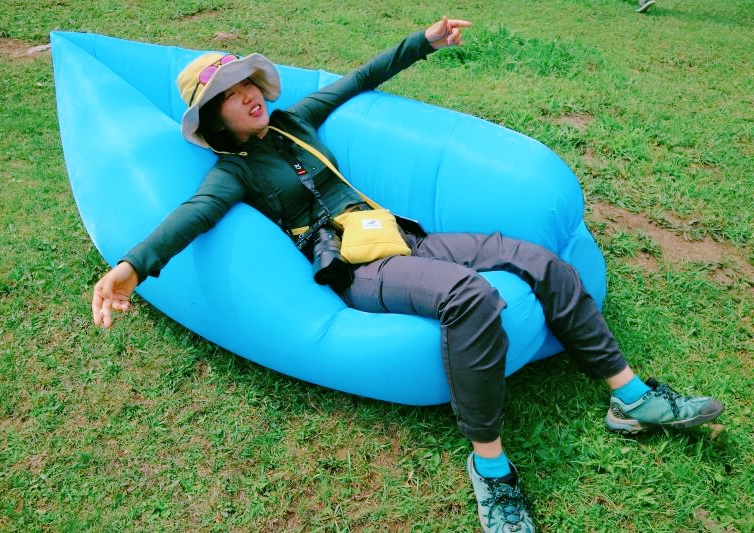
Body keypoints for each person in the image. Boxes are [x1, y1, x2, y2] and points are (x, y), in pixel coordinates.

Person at [91, 17, 723, 533]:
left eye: (246, 83)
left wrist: (423, 41)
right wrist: (131, 268)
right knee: (471, 297)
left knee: (539, 259)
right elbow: (193, 215)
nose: (247, 95)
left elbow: (359, 78)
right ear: (214, 118)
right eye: (229, 95)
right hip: (355, 268)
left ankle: (630, 397)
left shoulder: (295, 121)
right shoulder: (232, 171)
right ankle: (491, 472)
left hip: (402, 236)